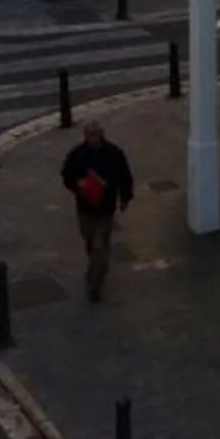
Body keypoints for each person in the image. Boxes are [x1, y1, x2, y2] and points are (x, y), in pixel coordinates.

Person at [60, 119, 135, 303]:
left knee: (100, 246)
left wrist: (125, 198)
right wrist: (78, 184)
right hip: (84, 209)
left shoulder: (114, 154)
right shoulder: (78, 154)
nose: (91, 138)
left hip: (105, 210)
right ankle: (94, 265)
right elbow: (66, 174)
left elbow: (125, 176)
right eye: (88, 135)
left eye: (95, 134)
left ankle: (95, 283)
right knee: (89, 241)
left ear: (101, 134)